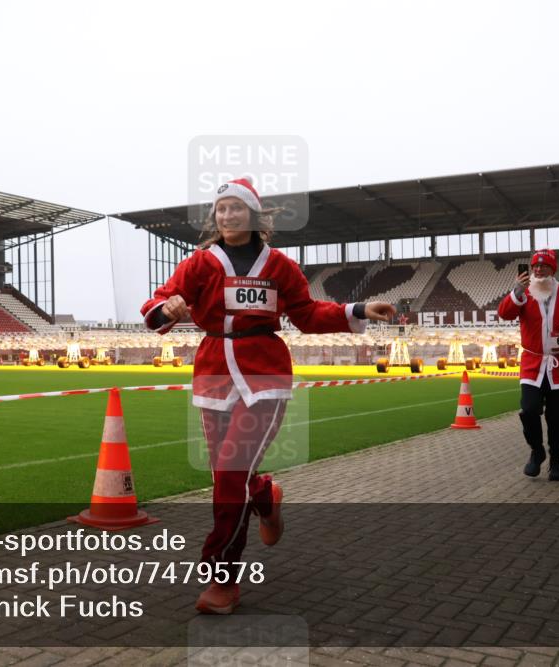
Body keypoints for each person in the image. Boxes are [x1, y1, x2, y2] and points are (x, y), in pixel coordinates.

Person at [141, 178, 396, 614]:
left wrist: (355, 310)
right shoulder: (200, 263)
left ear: (254, 215)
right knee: (229, 477)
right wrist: (166, 310)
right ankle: (265, 495)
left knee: (229, 474)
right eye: (220, 209)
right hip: (214, 373)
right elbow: (161, 301)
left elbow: (308, 312)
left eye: (236, 208)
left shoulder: (279, 266)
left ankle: (222, 577)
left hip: (265, 374)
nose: (227, 216)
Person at [497, 249, 559, 482]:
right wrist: (516, 292)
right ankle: (536, 450)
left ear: (553, 269)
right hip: (532, 364)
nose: (539, 270)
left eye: (544, 266)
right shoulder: (523, 294)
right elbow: (504, 314)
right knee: (529, 409)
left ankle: (556, 460)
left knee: (557, 417)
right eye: (535, 266)